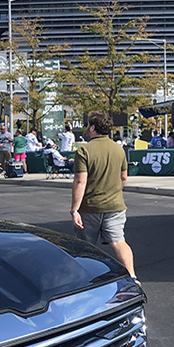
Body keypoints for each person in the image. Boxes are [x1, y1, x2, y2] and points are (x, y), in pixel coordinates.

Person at [71, 111, 137, 280]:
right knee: (119, 241)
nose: (87, 129)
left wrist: (74, 210)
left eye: (88, 125)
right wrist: (114, 191)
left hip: (90, 207)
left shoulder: (84, 150)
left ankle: (86, 280)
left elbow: (80, 182)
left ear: (93, 128)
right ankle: (132, 276)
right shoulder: (119, 150)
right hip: (115, 206)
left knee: (85, 247)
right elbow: (124, 177)